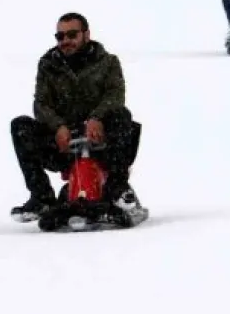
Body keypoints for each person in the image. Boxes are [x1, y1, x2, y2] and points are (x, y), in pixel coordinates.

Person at [10, 13, 144, 220]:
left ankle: (117, 187)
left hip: (102, 139)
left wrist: (96, 118)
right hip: (63, 143)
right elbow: (41, 103)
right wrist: (57, 126)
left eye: (72, 35)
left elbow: (115, 95)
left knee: (121, 115)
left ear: (86, 35)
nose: (65, 41)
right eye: (60, 36)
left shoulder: (107, 62)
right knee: (20, 126)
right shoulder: (48, 65)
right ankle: (42, 197)